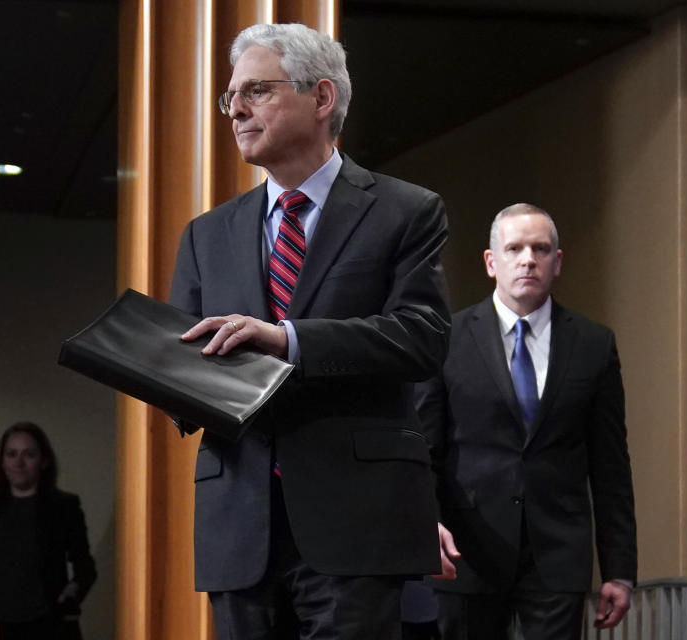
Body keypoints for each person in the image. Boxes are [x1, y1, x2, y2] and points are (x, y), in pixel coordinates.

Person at [168, 22, 452, 639]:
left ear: (322, 98)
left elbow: (422, 337)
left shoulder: (406, 211)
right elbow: (185, 378)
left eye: (257, 91)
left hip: (357, 525)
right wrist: (153, 368)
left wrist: (285, 339)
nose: (237, 109)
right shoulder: (205, 234)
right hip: (240, 525)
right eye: (231, 97)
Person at [416, 203, 637, 639]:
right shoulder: (447, 340)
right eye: (514, 248)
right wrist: (426, 522)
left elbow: (610, 464)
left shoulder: (593, 344)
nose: (528, 259)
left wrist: (620, 569)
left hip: (557, 552)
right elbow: (424, 448)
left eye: (540, 248)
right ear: (491, 262)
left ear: (558, 261)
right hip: (467, 550)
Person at [0, 422, 97, 640]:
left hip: (48, 627)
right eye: (11, 454)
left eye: (28, 454)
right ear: (3, 462)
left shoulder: (63, 507)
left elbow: (85, 567)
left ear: (43, 461)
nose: (19, 463)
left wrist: (70, 599)